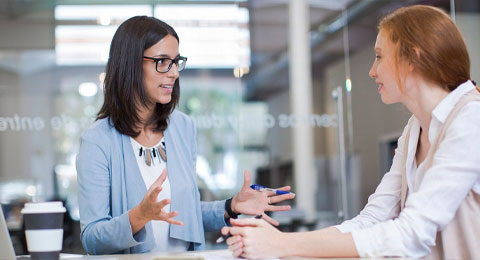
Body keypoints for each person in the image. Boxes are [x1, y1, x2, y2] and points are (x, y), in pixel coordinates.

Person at [222, 5, 480, 259]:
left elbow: (411, 233)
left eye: (379, 56)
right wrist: (278, 242)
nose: (372, 70)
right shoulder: (414, 128)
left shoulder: (470, 119)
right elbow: (372, 219)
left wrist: (282, 245)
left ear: (411, 58)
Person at [76, 16, 295, 255]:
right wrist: (137, 217)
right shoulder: (97, 141)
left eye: (175, 62)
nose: (173, 74)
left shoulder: (182, 127)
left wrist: (232, 206)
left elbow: (186, 213)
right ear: (129, 64)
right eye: (162, 62)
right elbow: (91, 239)